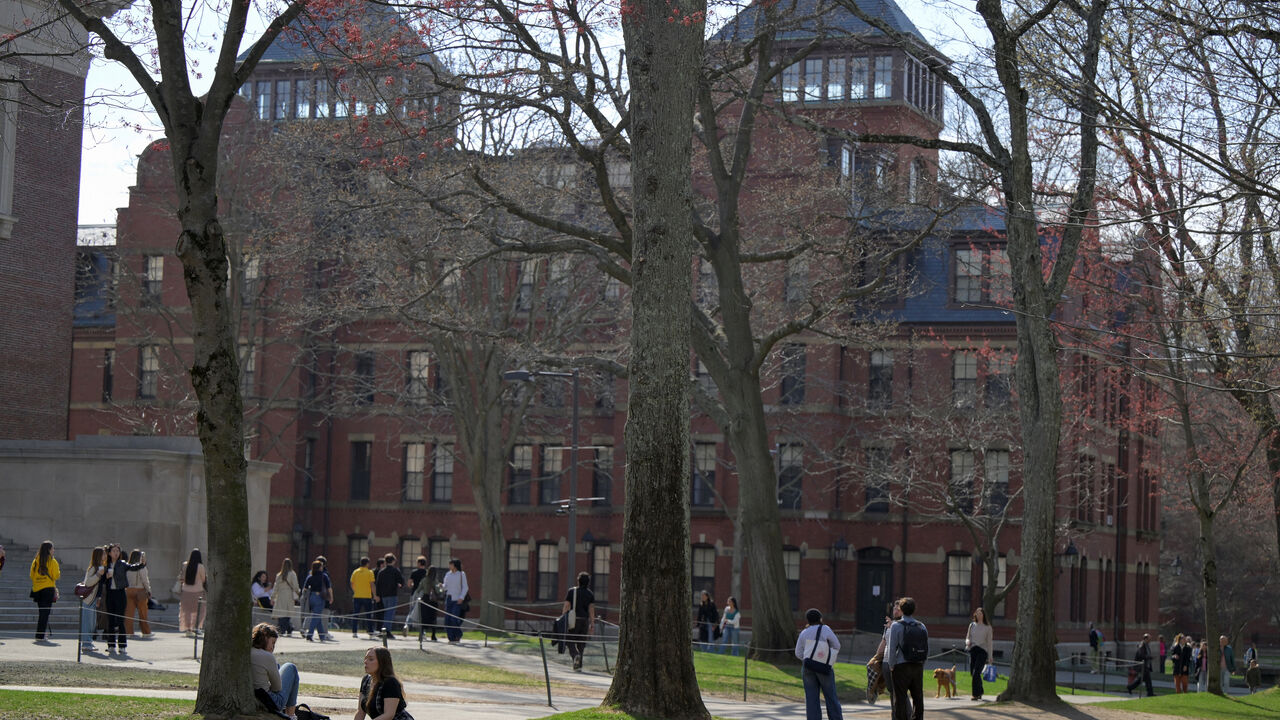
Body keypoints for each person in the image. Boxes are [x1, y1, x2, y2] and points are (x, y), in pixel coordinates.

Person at [794, 608, 842, 720]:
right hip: (824, 666)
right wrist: (827, 657)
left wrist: (808, 658)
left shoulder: (804, 632)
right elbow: (836, 645)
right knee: (831, 697)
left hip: (808, 667)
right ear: (820, 618)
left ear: (808, 620)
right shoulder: (825, 629)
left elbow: (798, 653)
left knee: (811, 698)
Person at [885, 596, 927, 720]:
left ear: (902, 610)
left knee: (900, 699)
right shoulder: (922, 626)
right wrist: (921, 664)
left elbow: (892, 648)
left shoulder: (896, 626)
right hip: (917, 665)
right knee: (918, 698)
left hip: (901, 665)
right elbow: (926, 648)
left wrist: (891, 665)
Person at [102, 542, 146, 654]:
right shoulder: (106, 565)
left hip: (120, 593)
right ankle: (111, 644)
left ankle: (122, 645)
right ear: (109, 553)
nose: (116, 553)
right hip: (110, 593)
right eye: (114, 551)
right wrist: (105, 577)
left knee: (120, 620)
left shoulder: (122, 564)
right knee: (110, 620)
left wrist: (142, 564)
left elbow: (133, 567)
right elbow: (101, 580)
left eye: (117, 551)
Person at [251, 622, 300, 718]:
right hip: (270, 702)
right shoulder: (267, 656)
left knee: (277, 666)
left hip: (254, 697)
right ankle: (291, 715)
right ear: (265, 638)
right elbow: (277, 688)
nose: (273, 647)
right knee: (290, 667)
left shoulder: (248, 651)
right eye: (272, 643)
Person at [356, 646, 411, 720]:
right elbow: (360, 712)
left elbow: (388, 715)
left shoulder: (391, 682)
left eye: (371, 659)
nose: (365, 661)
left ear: (382, 662)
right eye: (365, 658)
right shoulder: (366, 680)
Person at [562, 571, 596, 671]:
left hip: (573, 620)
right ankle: (579, 666)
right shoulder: (590, 594)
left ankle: (575, 655)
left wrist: (563, 617)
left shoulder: (572, 591)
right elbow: (591, 609)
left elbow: (567, 605)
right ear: (588, 582)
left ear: (578, 581)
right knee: (581, 644)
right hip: (584, 621)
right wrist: (592, 623)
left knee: (569, 640)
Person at [29, 540, 60, 642]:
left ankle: (41, 634)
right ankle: (40, 635)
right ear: (49, 550)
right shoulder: (52, 561)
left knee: (42, 612)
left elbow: (31, 576)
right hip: (48, 589)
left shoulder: (35, 561)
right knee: (45, 613)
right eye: (52, 548)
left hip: (37, 590)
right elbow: (56, 575)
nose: (53, 550)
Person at [79, 546, 107, 652]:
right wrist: (98, 575)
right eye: (103, 554)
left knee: (92, 623)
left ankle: (88, 642)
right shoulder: (94, 568)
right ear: (99, 555)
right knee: (87, 622)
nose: (105, 556)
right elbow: (88, 582)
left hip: (93, 599)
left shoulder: (99, 567)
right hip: (88, 600)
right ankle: (86, 643)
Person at [408, 557, 440, 643]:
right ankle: (433, 635)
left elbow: (418, 589)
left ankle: (421, 634)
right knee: (433, 618)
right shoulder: (435, 581)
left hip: (424, 599)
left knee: (423, 617)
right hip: (433, 601)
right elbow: (438, 591)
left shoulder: (424, 580)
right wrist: (441, 589)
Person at [374, 553, 404, 638]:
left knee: (385, 613)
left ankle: (383, 630)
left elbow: (378, 584)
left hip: (383, 595)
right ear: (393, 561)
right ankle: (386, 631)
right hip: (392, 595)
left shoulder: (381, 571)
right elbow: (401, 581)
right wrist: (399, 584)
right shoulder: (395, 571)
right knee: (390, 613)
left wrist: (378, 595)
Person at [964, 607, 992, 700]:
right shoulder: (972, 625)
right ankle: (980, 691)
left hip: (982, 651)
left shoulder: (988, 627)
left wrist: (990, 656)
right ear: (975, 614)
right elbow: (968, 637)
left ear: (983, 615)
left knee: (976, 673)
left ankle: (975, 694)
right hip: (973, 650)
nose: (979, 615)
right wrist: (967, 642)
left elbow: (989, 643)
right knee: (973, 673)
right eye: (977, 613)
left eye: (981, 614)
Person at [178, 548, 207, 635]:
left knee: (186, 611)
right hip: (198, 591)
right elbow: (203, 579)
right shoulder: (201, 566)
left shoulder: (185, 565)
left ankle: (188, 629)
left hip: (186, 590)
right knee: (200, 610)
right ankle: (196, 627)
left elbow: (181, 577)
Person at [124, 549, 153, 637]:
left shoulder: (127, 567)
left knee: (129, 613)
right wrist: (149, 590)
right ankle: (146, 632)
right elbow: (145, 581)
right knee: (143, 612)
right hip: (140, 591)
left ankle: (128, 632)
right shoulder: (141, 567)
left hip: (128, 590)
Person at [302, 560, 333, 641]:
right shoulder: (324, 576)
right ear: (319, 567)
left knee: (317, 616)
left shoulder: (310, 576)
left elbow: (305, 589)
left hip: (311, 597)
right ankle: (310, 634)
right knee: (316, 616)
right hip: (320, 597)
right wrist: (331, 597)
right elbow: (329, 588)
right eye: (321, 566)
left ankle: (322, 636)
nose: (322, 567)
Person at [271, 557, 300, 637]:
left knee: (281, 614)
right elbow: (296, 586)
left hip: (280, 596)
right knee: (287, 614)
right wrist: (298, 591)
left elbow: (275, 587)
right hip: (289, 596)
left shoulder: (279, 575)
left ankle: (284, 628)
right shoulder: (292, 574)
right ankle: (287, 628)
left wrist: (272, 597)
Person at [442, 558, 468, 643]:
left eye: (451, 564)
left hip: (457, 599)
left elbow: (465, 587)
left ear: (455, 565)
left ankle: (458, 634)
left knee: (453, 619)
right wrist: (441, 586)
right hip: (448, 598)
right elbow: (445, 586)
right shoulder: (448, 574)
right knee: (447, 620)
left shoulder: (461, 574)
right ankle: (451, 638)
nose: (449, 566)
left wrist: (462, 597)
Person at [351, 556, 376, 638]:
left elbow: (352, 583)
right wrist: (374, 595)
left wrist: (356, 590)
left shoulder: (355, 572)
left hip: (357, 596)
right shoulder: (370, 572)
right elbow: (372, 585)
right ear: (367, 563)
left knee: (356, 614)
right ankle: (370, 632)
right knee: (368, 615)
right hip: (367, 596)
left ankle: (354, 632)